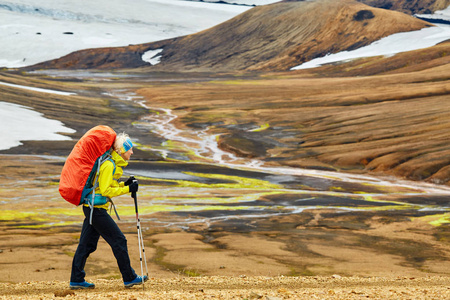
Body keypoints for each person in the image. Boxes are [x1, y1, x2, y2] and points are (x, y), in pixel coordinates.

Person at [70, 132, 148, 289]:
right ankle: (129, 277)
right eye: (130, 149)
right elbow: (105, 191)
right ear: (121, 150)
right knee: (119, 240)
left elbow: (106, 187)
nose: (132, 152)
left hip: (92, 208)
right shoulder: (109, 165)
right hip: (96, 210)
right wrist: (127, 189)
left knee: (86, 245)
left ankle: (76, 279)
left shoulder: (111, 163)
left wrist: (125, 184)